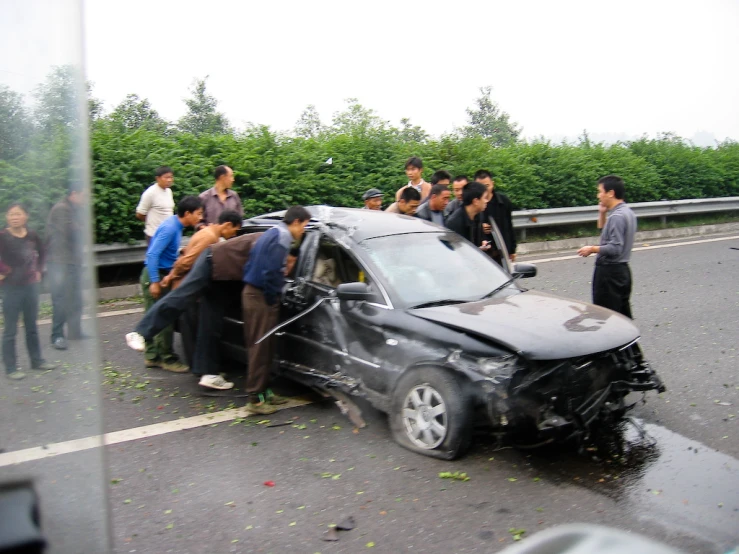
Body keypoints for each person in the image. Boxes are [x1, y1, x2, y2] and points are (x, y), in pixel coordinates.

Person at [242, 206, 311, 414]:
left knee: (267, 347)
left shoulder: (271, 232)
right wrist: (273, 298)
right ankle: (254, 400)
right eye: (304, 226)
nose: (303, 232)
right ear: (296, 222)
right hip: (260, 297)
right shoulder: (282, 238)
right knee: (260, 349)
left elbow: (251, 262)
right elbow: (271, 273)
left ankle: (265, 392)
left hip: (254, 292)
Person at [140, 196, 203, 372]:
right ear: (188, 213)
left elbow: (165, 252)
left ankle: (152, 356)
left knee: (153, 316)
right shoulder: (170, 228)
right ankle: (166, 358)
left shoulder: (177, 226)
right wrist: (154, 282)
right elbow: (152, 255)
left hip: (162, 273)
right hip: (156, 275)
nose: (200, 217)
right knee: (164, 318)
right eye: (198, 214)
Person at [0, 203, 56, 379]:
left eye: (18, 214)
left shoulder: (32, 235)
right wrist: (4, 271)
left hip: (31, 286)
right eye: (11, 215)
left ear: (26, 216)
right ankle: (11, 368)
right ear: (6, 218)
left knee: (32, 326)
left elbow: (42, 251)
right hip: (11, 288)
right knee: (10, 329)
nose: (14, 217)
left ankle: (37, 360)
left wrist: (39, 270)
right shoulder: (2, 236)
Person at [577, 175, 637, 319]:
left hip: (610, 275)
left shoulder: (617, 217)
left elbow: (615, 248)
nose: (598, 195)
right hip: (622, 272)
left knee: (604, 318)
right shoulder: (627, 212)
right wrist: (602, 213)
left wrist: (592, 249)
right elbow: (605, 234)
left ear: (610, 193)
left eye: (600, 191)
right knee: (621, 317)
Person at [46, 186, 86, 350]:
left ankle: (74, 331)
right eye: (84, 196)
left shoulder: (73, 208)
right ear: (74, 194)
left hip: (71, 260)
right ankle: (57, 335)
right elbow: (72, 232)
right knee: (60, 299)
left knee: (75, 297)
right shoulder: (61, 209)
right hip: (59, 261)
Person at [475, 169, 517, 262]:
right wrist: (480, 227)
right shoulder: (473, 203)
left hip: (502, 250)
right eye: (480, 187)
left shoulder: (503, 201)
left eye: (487, 186)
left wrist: (512, 249)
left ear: (492, 184)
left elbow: (509, 226)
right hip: (483, 253)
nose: (484, 190)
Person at [445, 181, 491, 251]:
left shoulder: (478, 215)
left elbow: (478, 239)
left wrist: (483, 242)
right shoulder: (454, 222)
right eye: (484, 198)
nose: (486, 201)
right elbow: (455, 251)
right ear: (476, 201)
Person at [136, 166, 175, 245]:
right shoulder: (150, 193)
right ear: (158, 178)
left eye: (171, 177)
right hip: (154, 235)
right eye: (166, 177)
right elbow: (140, 214)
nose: (169, 180)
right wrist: (151, 222)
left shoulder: (169, 191)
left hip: (168, 233)